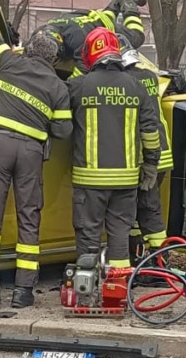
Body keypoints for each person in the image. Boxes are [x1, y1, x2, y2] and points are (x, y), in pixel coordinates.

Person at [0, 0, 72, 309]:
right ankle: (23, 291)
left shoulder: (8, 62)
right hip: (31, 151)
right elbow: (63, 132)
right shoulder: (59, 88)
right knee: (29, 218)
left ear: (26, 50)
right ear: (53, 60)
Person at [68, 28, 161, 278]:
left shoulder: (78, 86)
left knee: (88, 234)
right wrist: (151, 165)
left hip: (90, 181)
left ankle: (87, 289)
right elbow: (151, 132)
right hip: (126, 180)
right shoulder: (136, 86)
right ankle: (117, 290)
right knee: (120, 234)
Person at [121, 49, 172, 255]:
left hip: (145, 156)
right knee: (142, 209)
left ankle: (156, 261)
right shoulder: (149, 76)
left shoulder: (127, 82)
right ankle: (145, 258)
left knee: (145, 209)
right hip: (163, 152)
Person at [37, 0, 146, 75]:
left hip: (98, 26)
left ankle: (129, 3)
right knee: (104, 17)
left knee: (137, 36)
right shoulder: (38, 35)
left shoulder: (78, 41)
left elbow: (82, 72)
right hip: (83, 17)